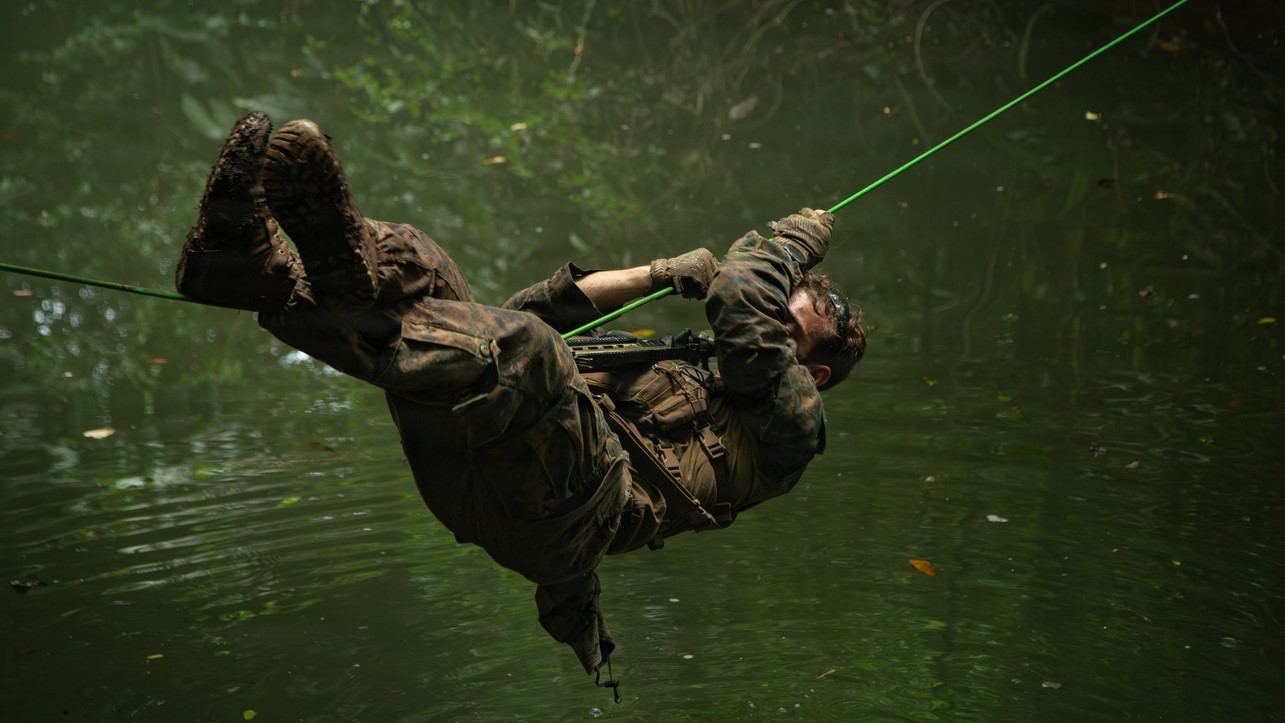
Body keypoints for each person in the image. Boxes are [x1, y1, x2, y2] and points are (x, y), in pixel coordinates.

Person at [176, 112, 866, 679]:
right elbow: (514, 314)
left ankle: (270, 279)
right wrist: (656, 275)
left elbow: (741, 290)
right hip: (479, 461)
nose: (765, 323)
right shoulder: (680, 363)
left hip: (566, 521)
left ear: (817, 371)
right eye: (776, 311)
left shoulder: (792, 429)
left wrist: (792, 242)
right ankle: (243, 268)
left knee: (528, 354)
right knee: (422, 262)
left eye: (787, 322)